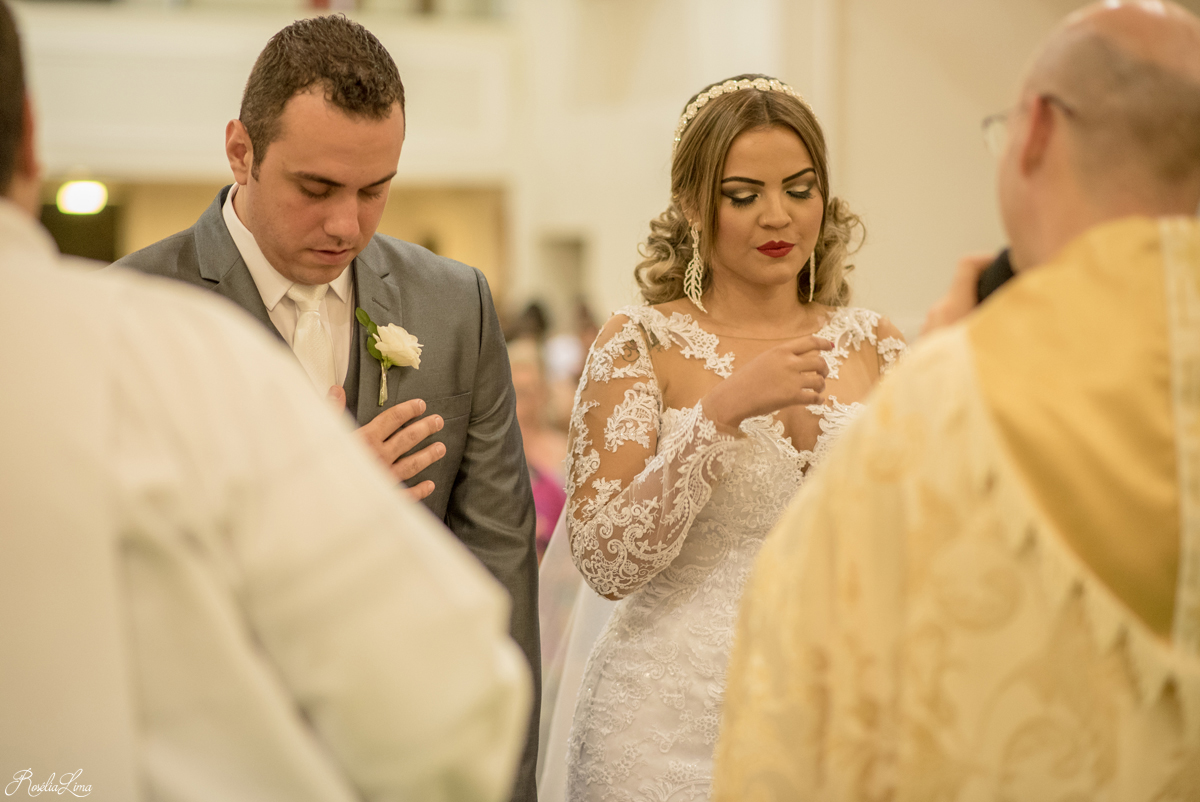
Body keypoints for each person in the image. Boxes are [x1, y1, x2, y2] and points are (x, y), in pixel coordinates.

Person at [0, 2, 530, 799]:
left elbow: (501, 568)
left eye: (375, 190)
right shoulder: (135, 312)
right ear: (240, 151)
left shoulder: (456, 304)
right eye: (315, 187)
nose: (346, 223)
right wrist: (327, 487)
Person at [713, 3, 1200, 799]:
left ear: (1036, 133)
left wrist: (940, 373)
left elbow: (795, 707)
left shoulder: (940, 404)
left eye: (799, 189)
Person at [553, 74, 906, 802]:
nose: (778, 216)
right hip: (667, 728)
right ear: (692, 204)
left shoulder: (876, 344)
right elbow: (606, 560)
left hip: (839, 719)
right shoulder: (641, 343)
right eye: (743, 196)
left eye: (800, 189)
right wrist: (720, 414)